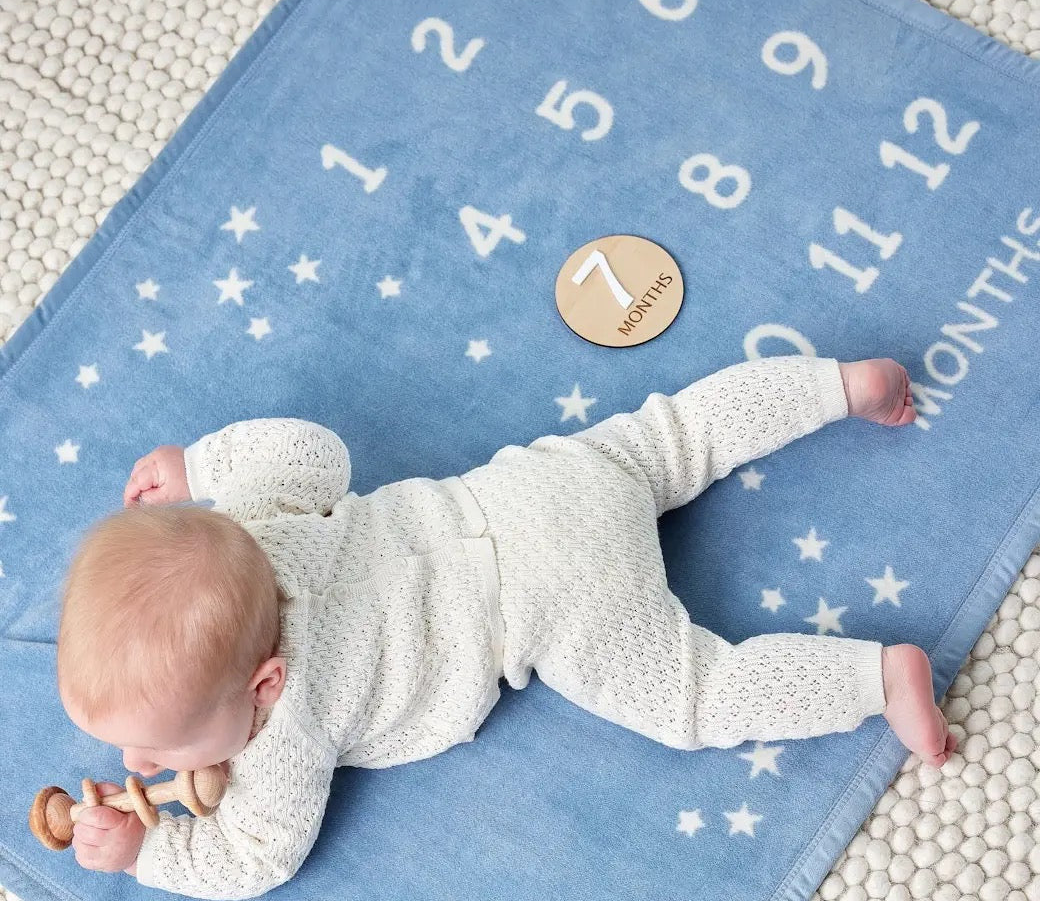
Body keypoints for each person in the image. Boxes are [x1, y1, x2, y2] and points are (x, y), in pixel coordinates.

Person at [56, 353, 955, 898]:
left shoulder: (284, 736)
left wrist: (152, 852)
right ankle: (840, 385)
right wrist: (200, 465)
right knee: (676, 433)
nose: (144, 771)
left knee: (696, 695)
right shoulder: (254, 520)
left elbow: (256, 858)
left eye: (164, 750)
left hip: (557, 603)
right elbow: (314, 452)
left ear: (265, 686)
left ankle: (876, 680)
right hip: (537, 486)